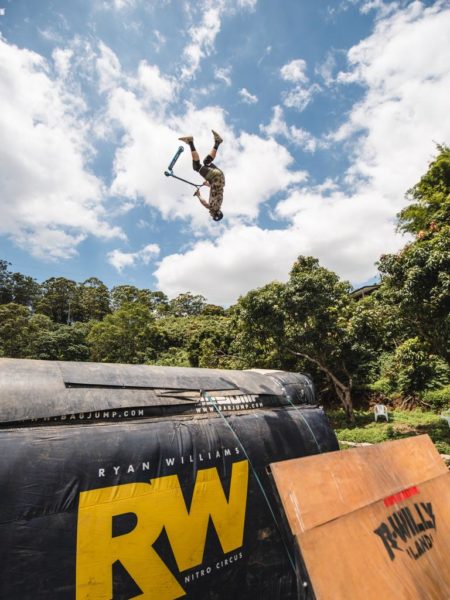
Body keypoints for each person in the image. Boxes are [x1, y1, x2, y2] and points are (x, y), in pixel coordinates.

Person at [178, 130, 225, 221]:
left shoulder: (218, 202)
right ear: (216, 214)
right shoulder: (213, 208)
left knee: (206, 162)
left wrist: (208, 184)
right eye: (212, 215)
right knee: (196, 167)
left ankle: (217, 142)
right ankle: (190, 142)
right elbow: (204, 203)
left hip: (220, 176)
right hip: (215, 177)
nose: (210, 214)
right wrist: (198, 195)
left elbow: (217, 188)